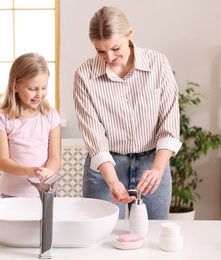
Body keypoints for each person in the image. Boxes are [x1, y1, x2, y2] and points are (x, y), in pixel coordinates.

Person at [73, 6, 182, 219]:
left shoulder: (157, 64)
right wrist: (112, 181)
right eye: (100, 51)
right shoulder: (84, 76)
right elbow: (93, 135)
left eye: (115, 48)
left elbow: (169, 124)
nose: (109, 57)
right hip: (105, 167)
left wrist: (158, 169)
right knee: (102, 240)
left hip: (152, 164)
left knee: (151, 237)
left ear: (129, 34)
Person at [0, 52, 61, 197]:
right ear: (15, 86)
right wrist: (28, 171)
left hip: (45, 192)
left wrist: (48, 171)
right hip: (12, 194)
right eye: (33, 89)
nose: (39, 94)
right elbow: (2, 160)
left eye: (44, 88)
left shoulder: (50, 116)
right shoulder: (2, 118)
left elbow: (55, 157)